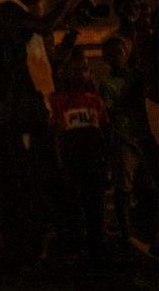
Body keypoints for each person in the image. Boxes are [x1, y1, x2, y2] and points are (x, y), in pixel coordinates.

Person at [0, 0, 85, 269]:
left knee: (40, 178)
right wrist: (68, 4)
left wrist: (71, 33)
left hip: (32, 114)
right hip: (15, 118)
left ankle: (36, 245)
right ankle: (23, 250)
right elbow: (44, 25)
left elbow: (49, 65)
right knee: (25, 181)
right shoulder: (4, 11)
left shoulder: (18, 18)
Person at [50, 51, 108, 259]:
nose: (79, 74)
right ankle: (73, 242)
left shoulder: (95, 100)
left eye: (83, 69)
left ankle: (96, 243)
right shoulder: (59, 101)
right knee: (72, 202)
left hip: (92, 158)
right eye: (74, 70)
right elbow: (56, 132)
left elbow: (102, 130)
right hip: (71, 158)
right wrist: (59, 160)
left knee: (94, 201)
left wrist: (105, 158)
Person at [99, 36, 156, 247]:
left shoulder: (137, 77)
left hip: (143, 135)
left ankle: (146, 228)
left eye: (119, 53)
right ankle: (126, 233)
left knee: (147, 185)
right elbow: (109, 111)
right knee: (124, 187)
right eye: (111, 55)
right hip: (124, 137)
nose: (115, 58)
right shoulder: (108, 83)